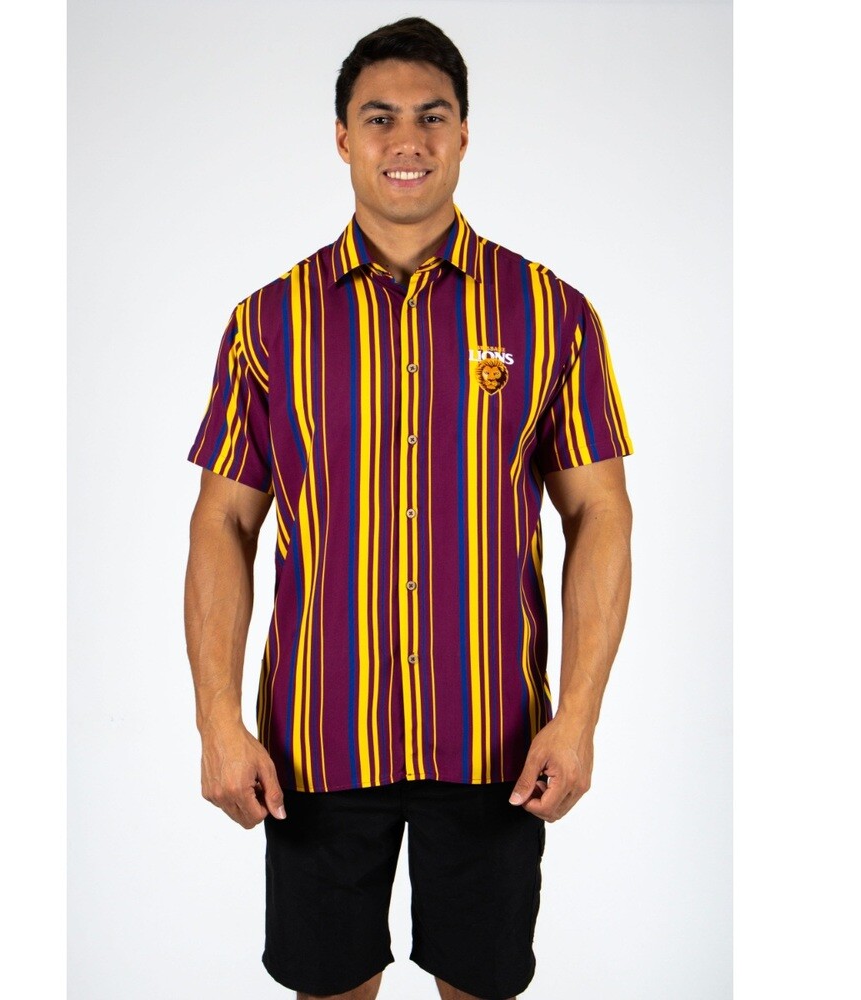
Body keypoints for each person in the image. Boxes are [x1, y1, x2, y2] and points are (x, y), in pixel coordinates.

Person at [183, 16, 633, 1000]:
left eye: (432, 116)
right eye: (379, 116)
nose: (407, 139)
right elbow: (223, 521)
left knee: (482, 986)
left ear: (463, 134)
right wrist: (218, 719)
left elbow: (600, 513)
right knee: (327, 987)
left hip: (496, 743)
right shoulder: (269, 322)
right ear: (342, 137)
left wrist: (577, 716)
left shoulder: (549, 312)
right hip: (313, 742)